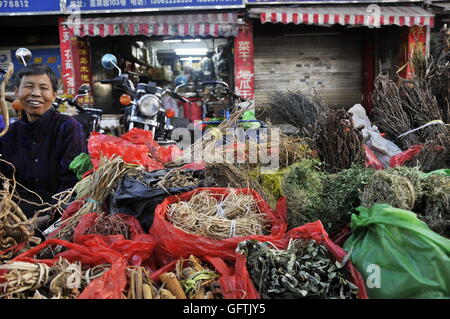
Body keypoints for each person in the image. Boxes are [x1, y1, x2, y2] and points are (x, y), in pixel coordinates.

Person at [0, 64, 87, 231]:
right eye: (29, 86)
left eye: (43, 88)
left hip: (56, 218)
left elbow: (73, 183)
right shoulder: (9, 133)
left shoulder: (68, 127)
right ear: (17, 91)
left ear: (53, 94)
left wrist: (51, 218)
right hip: (14, 217)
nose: (36, 93)